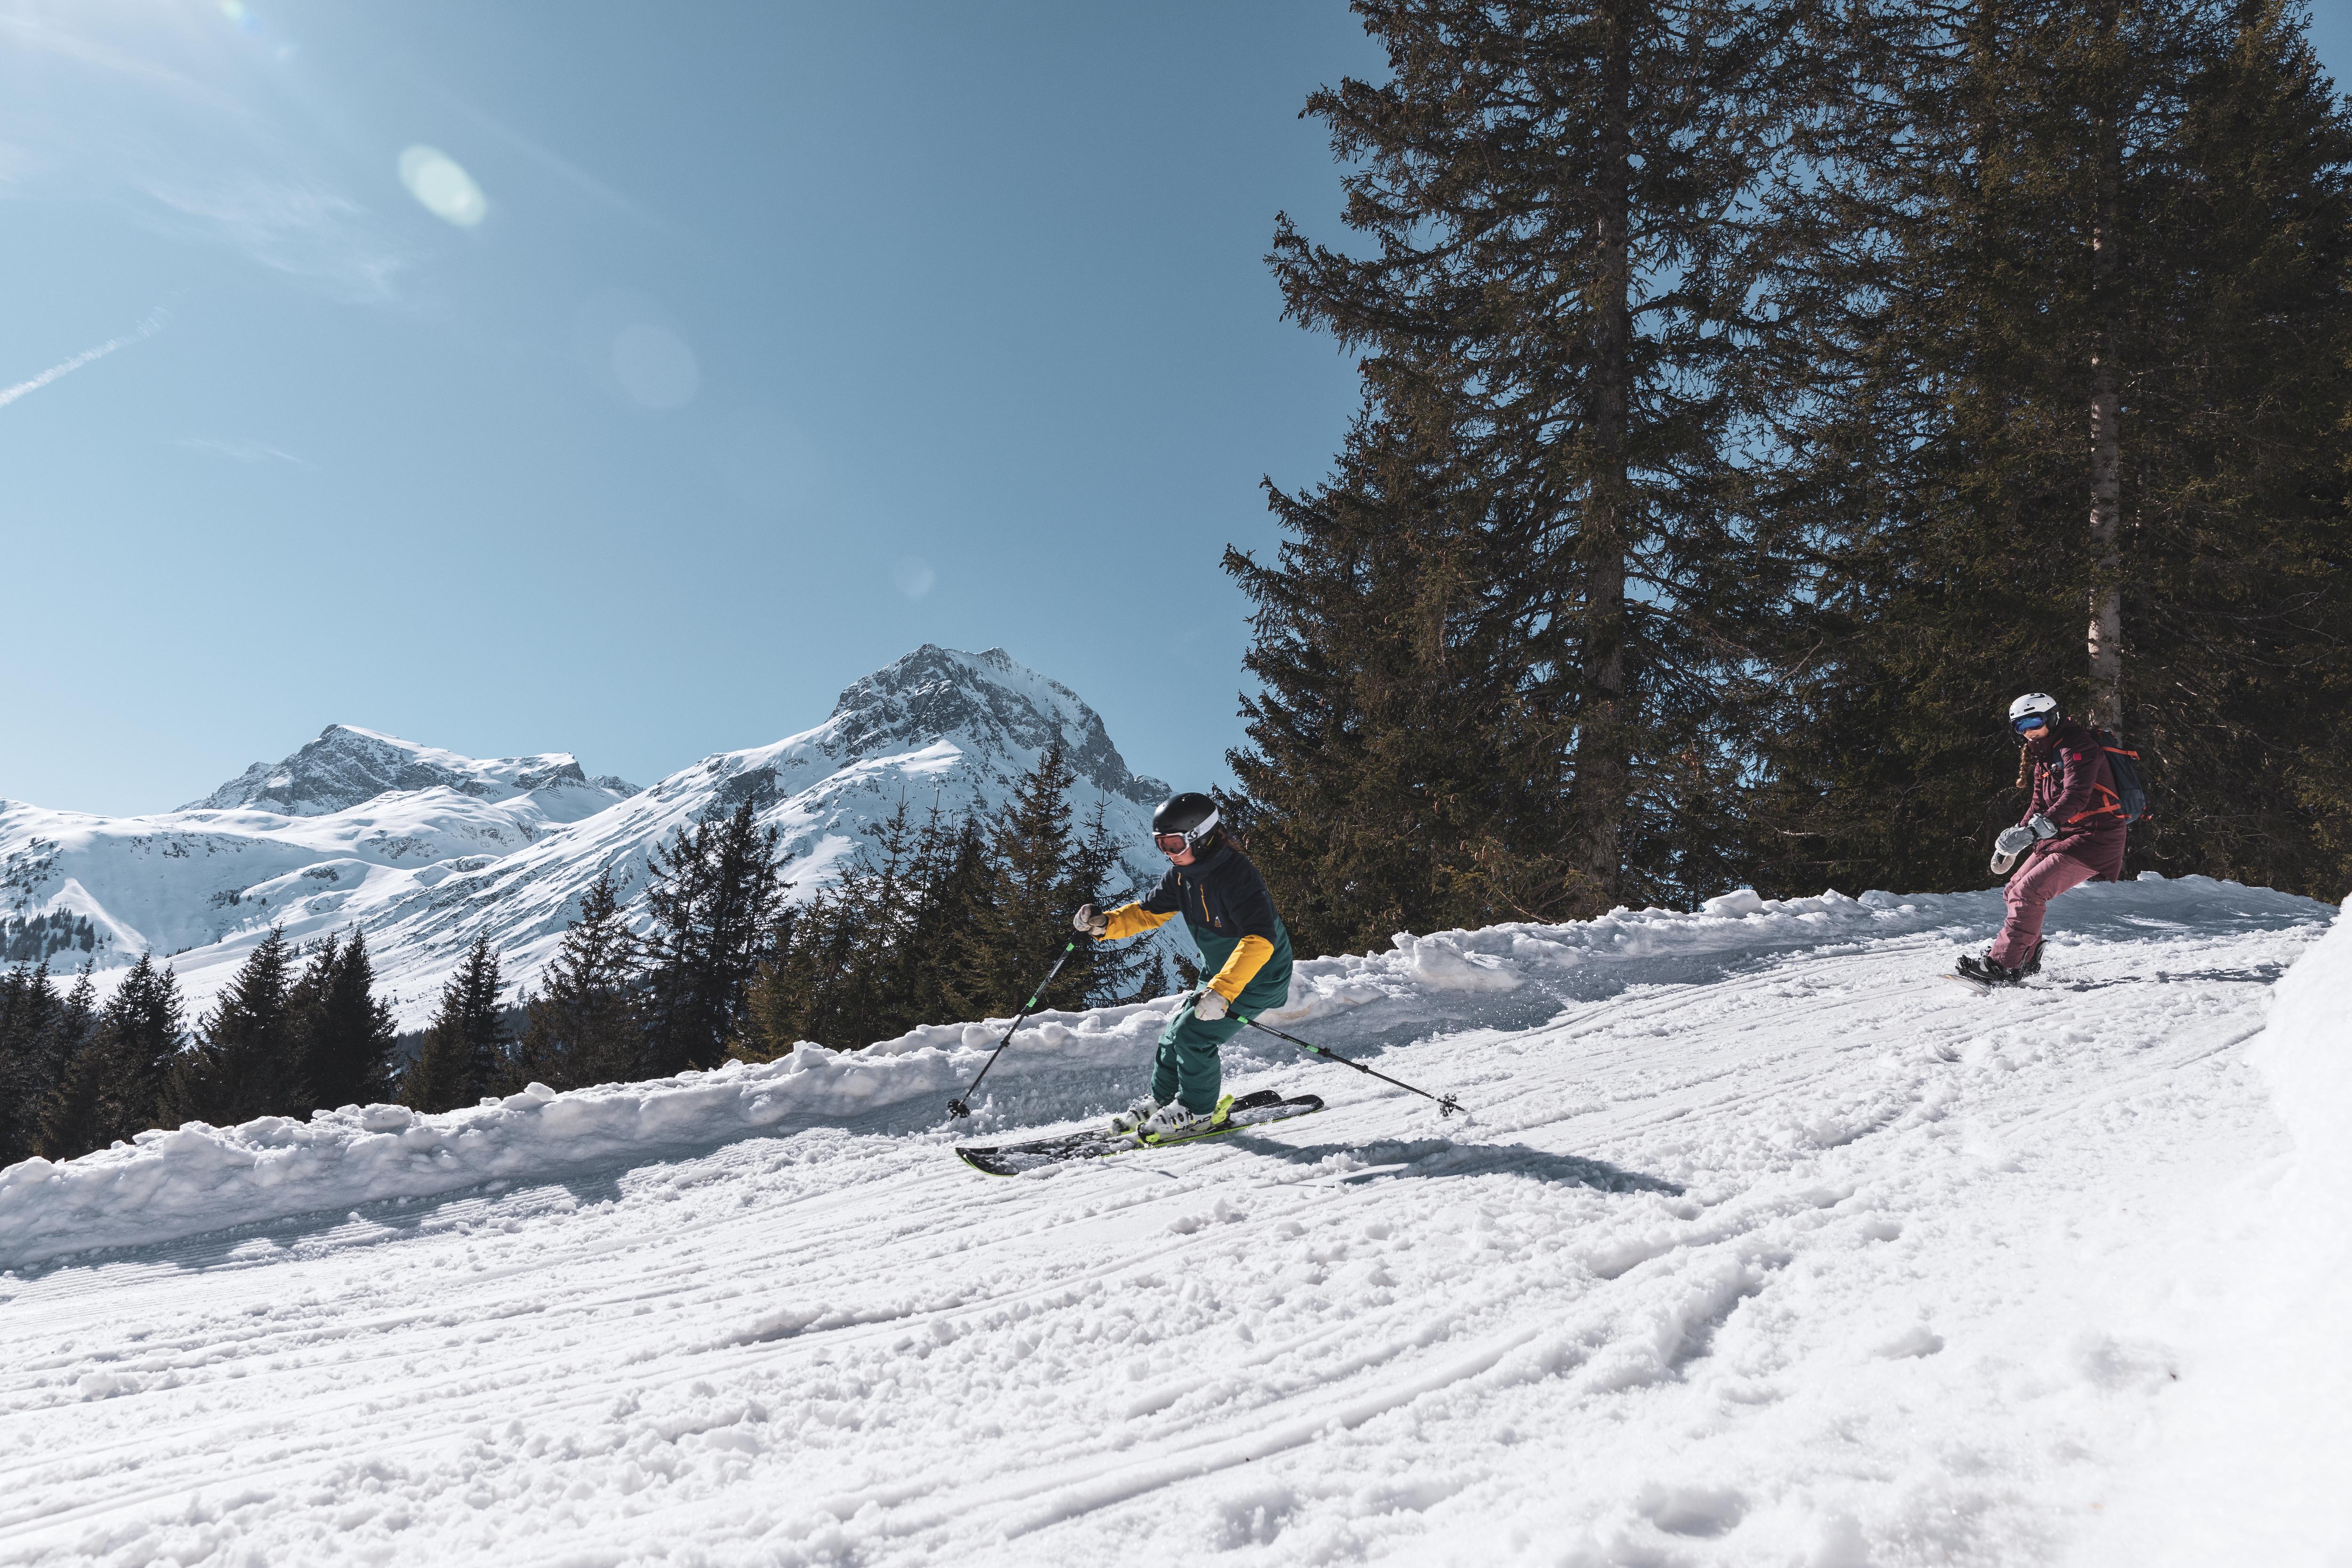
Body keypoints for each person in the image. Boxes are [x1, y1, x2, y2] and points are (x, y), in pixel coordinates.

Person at [1073, 792, 1295, 1141]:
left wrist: (1222, 991)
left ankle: (1198, 1111)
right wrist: (1106, 924)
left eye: (1174, 843)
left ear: (1203, 838)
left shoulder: (1238, 877)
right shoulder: (1182, 877)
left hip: (1258, 974)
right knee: (1175, 1031)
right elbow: (1146, 912)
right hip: (1220, 971)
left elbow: (1260, 941)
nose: (1168, 853)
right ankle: (1164, 1099)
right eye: (1161, 844)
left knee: (1196, 1035)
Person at [1959, 692, 2129, 985]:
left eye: (2034, 721)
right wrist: (2012, 842)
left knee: (2029, 893)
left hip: (2095, 837)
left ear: (2052, 717)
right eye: (2020, 726)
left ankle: (2003, 966)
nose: (2028, 731)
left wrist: (2035, 832)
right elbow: (2038, 805)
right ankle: (2024, 957)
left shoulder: (2078, 746)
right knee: (2014, 888)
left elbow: (2076, 795)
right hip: (2062, 836)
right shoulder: (2044, 756)